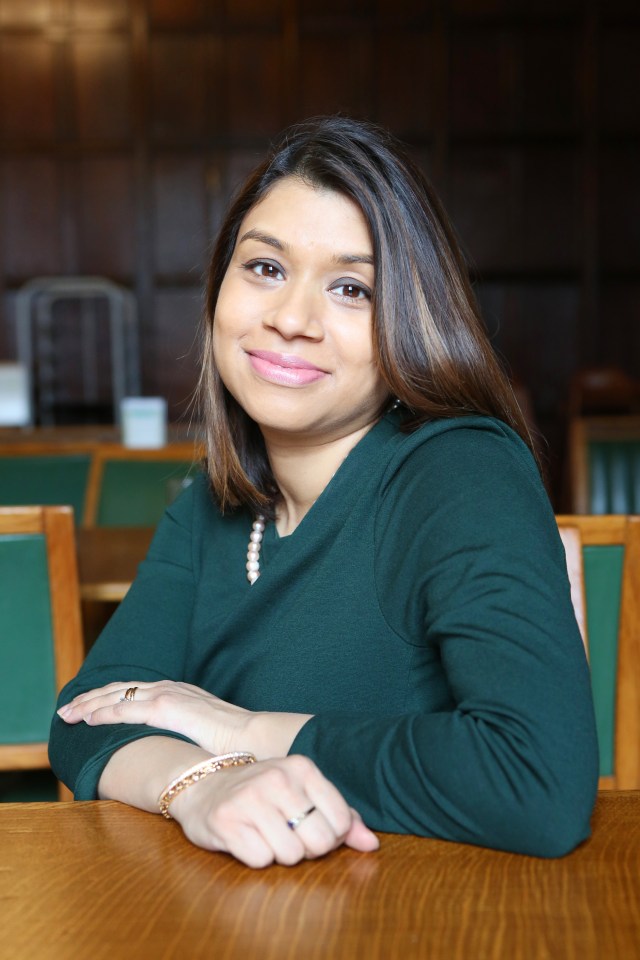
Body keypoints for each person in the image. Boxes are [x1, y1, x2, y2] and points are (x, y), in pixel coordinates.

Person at [50, 115, 598, 868]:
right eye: (266, 268)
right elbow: (84, 718)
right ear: (219, 286)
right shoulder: (209, 507)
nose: (291, 319)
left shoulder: (460, 472)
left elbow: (536, 782)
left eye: (350, 288)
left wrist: (239, 732)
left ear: (410, 317)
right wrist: (197, 784)